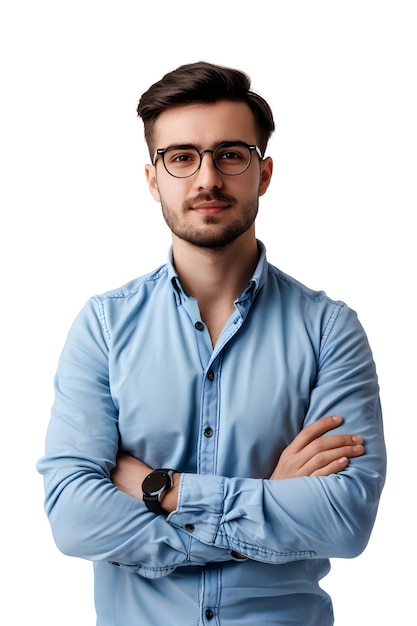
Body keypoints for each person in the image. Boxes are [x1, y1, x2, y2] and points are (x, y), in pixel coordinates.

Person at [37, 61, 386, 625]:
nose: (206, 179)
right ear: (154, 179)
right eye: (181, 157)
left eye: (230, 154)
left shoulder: (329, 329)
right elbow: (74, 518)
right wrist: (258, 515)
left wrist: (162, 489)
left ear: (263, 173)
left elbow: (344, 519)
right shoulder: (103, 326)